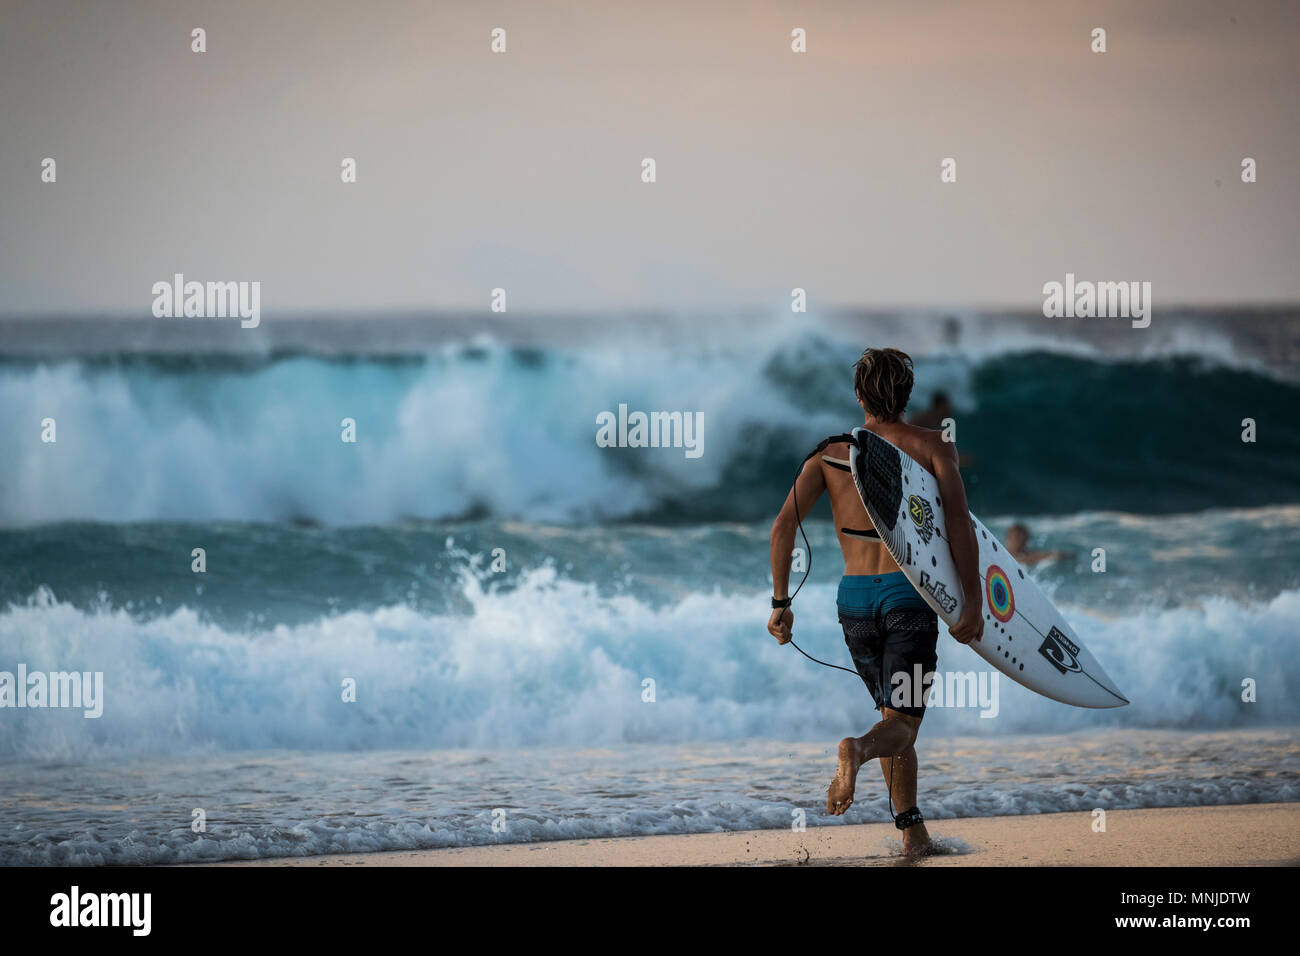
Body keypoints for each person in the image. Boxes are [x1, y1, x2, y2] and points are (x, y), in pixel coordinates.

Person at [766, 348, 984, 857]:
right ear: (906, 395)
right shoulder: (933, 445)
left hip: (855, 603)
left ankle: (912, 834)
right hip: (908, 598)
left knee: (893, 716)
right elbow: (957, 524)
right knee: (901, 727)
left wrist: (780, 601)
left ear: (858, 396)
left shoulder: (830, 452)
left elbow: (782, 526)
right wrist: (971, 600)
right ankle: (856, 750)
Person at [1004, 523, 1071, 566]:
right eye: (1017, 539)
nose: (1020, 543)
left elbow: (1055, 555)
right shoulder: (1001, 555)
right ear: (1008, 538)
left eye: (1024, 540)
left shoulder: (1026, 555)